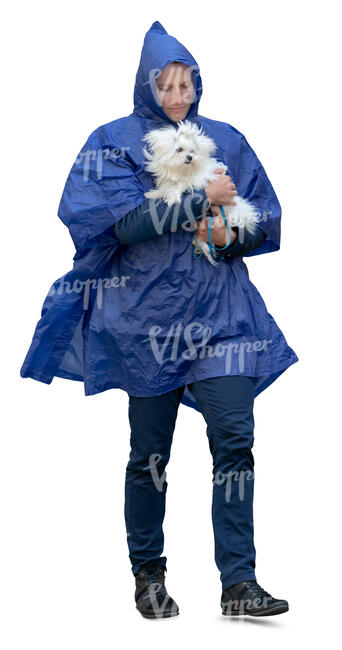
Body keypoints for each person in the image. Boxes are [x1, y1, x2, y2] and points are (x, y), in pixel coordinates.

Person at [20, 21, 299, 618]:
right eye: (167, 86)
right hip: (146, 322)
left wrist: (226, 231)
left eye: (187, 84)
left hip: (222, 317)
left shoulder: (225, 138)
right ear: (147, 86)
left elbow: (267, 218)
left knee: (236, 441)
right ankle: (148, 573)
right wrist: (203, 201)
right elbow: (118, 224)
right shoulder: (112, 142)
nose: (179, 97)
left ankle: (239, 584)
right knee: (151, 452)